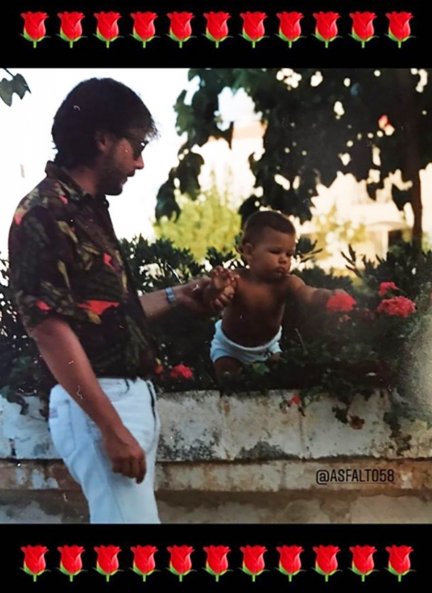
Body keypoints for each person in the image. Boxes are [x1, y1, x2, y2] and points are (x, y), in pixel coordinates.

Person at [7, 77, 233, 524]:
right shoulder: (44, 212)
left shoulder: (87, 210)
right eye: (136, 146)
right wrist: (111, 427)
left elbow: (107, 316)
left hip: (118, 400)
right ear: (103, 139)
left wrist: (180, 295)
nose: (141, 162)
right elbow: (49, 330)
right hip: (97, 404)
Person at [209, 210, 346, 378]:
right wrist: (217, 288)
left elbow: (308, 294)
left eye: (289, 254)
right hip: (230, 348)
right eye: (275, 252)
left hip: (268, 348)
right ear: (249, 251)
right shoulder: (238, 279)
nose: (284, 259)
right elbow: (221, 295)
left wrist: (328, 296)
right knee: (227, 376)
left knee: (278, 379)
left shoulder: (287, 283)